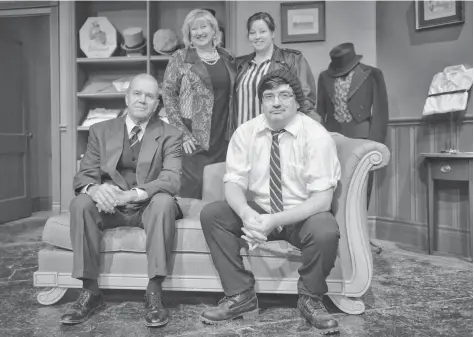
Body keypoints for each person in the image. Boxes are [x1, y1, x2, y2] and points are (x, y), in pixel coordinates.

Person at [199, 69, 341, 335]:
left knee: (326, 229)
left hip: (303, 214)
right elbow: (233, 182)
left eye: (285, 95)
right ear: (261, 102)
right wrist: (245, 213)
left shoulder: (316, 136)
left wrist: (273, 221)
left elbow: (322, 199)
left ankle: (311, 299)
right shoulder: (246, 132)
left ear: (297, 101)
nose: (276, 102)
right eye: (269, 96)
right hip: (261, 208)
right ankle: (240, 295)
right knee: (212, 214)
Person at [60, 74, 183, 327]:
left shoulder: (170, 134)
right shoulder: (100, 130)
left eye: (149, 96)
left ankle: (154, 292)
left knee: (164, 202)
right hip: (109, 207)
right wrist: (94, 189)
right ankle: (90, 291)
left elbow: (171, 179)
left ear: (157, 104)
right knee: (81, 203)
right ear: (127, 98)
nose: (142, 100)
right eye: (137, 93)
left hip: (147, 204)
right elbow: (84, 175)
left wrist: (131, 194)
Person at [162, 8, 236, 199]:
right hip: (193, 139)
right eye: (194, 29)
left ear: (213, 30)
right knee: (192, 192)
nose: (200, 32)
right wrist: (183, 135)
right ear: (188, 34)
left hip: (223, 137)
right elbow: (168, 96)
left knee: (219, 192)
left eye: (204, 26)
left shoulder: (228, 57)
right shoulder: (180, 58)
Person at [317, 42, 388, 210]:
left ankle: (360, 232)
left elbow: (380, 110)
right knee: (332, 185)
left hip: (362, 137)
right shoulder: (324, 77)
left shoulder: (372, 74)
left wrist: (375, 143)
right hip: (331, 138)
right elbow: (320, 110)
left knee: (361, 185)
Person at [232, 12, 320, 134]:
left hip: (276, 134)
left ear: (272, 33)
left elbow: (306, 101)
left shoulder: (292, 59)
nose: (257, 36)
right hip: (242, 135)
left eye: (262, 31)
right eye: (252, 33)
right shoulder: (239, 64)